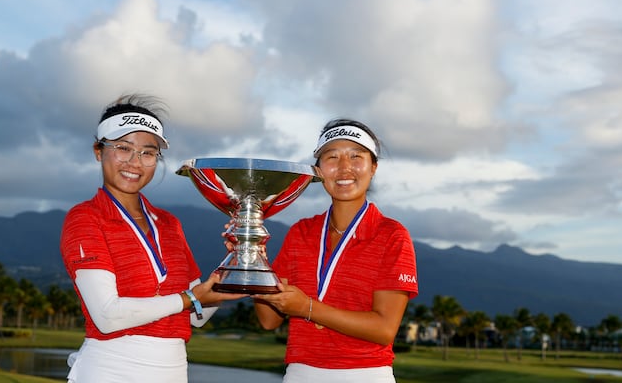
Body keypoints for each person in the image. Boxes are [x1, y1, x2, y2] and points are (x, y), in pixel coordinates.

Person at [60, 94, 243, 383]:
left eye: (148, 153)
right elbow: (107, 317)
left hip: (173, 370)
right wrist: (190, 298)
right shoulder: (85, 217)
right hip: (109, 370)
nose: (135, 162)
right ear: (98, 151)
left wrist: (239, 259)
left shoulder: (170, 224)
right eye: (123, 148)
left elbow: (197, 315)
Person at [252, 118, 419, 383]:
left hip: (365, 374)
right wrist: (254, 257)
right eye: (332, 157)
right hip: (300, 373)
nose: (344, 168)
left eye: (356, 156)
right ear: (318, 170)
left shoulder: (391, 235)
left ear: (373, 167)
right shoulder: (301, 233)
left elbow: (385, 329)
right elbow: (269, 320)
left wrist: (308, 308)